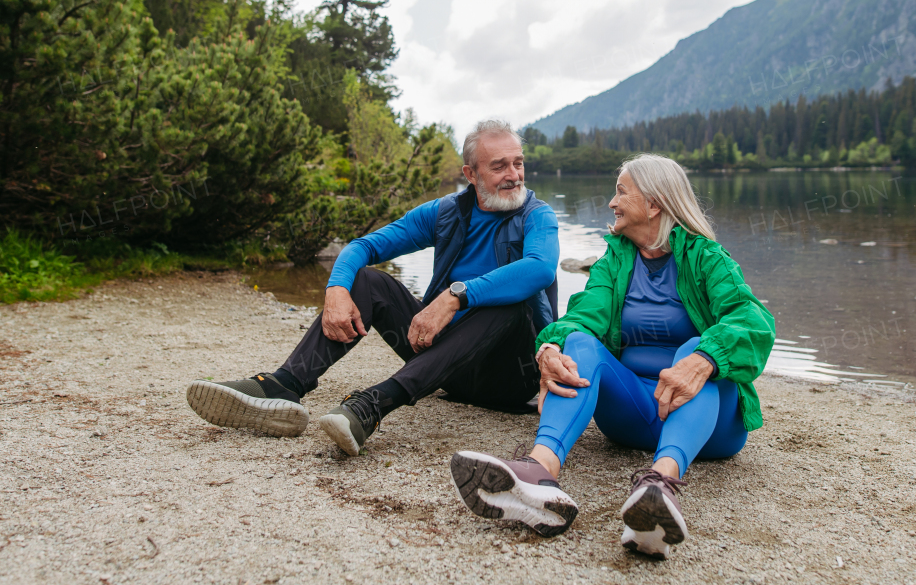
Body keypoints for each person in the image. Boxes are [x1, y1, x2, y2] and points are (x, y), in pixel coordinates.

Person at [450, 154, 775, 559]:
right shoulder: (615, 260)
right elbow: (584, 318)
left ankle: (659, 488)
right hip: (635, 414)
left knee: (697, 347)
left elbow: (754, 320)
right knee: (581, 344)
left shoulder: (706, 257)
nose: (611, 203)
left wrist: (705, 358)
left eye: (622, 191)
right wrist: (550, 347)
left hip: (711, 427)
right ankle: (539, 475)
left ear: (654, 203)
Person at [186, 120, 560, 455]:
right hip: (446, 368)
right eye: (499, 166)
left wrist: (455, 295)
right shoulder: (447, 212)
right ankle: (286, 385)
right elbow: (363, 247)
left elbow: (539, 270)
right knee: (366, 280)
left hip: (508, 375)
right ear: (471, 174)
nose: (514, 174)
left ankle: (373, 405)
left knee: (512, 303)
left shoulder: (537, 215)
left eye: (518, 162)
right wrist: (336, 289)